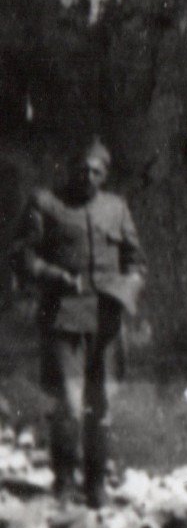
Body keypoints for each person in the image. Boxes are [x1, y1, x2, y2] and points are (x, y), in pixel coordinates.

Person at [11, 139, 146, 508]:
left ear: (105, 174)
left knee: (101, 408)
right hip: (63, 320)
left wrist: (126, 292)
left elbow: (136, 262)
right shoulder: (46, 204)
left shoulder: (116, 209)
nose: (88, 176)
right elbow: (21, 257)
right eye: (82, 168)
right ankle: (65, 481)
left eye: (97, 170)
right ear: (69, 169)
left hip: (106, 322)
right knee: (69, 407)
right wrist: (52, 275)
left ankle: (97, 484)